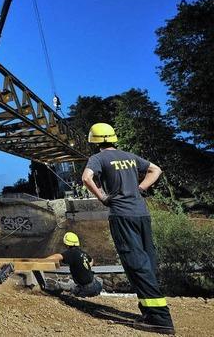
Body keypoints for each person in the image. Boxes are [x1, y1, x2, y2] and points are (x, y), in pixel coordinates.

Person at [82, 122, 175, 335]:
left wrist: (103, 197)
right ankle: (150, 312)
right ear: (113, 138)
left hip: (122, 215)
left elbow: (86, 178)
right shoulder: (129, 156)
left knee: (136, 264)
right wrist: (140, 187)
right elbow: (156, 170)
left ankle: (161, 319)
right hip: (142, 214)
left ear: (94, 141)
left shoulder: (98, 158)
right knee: (147, 261)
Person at [44, 232, 103, 297]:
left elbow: (58, 256)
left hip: (86, 289)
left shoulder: (72, 252)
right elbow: (91, 260)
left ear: (66, 244)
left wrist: (42, 261)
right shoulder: (82, 253)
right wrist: (85, 267)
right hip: (96, 285)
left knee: (62, 288)